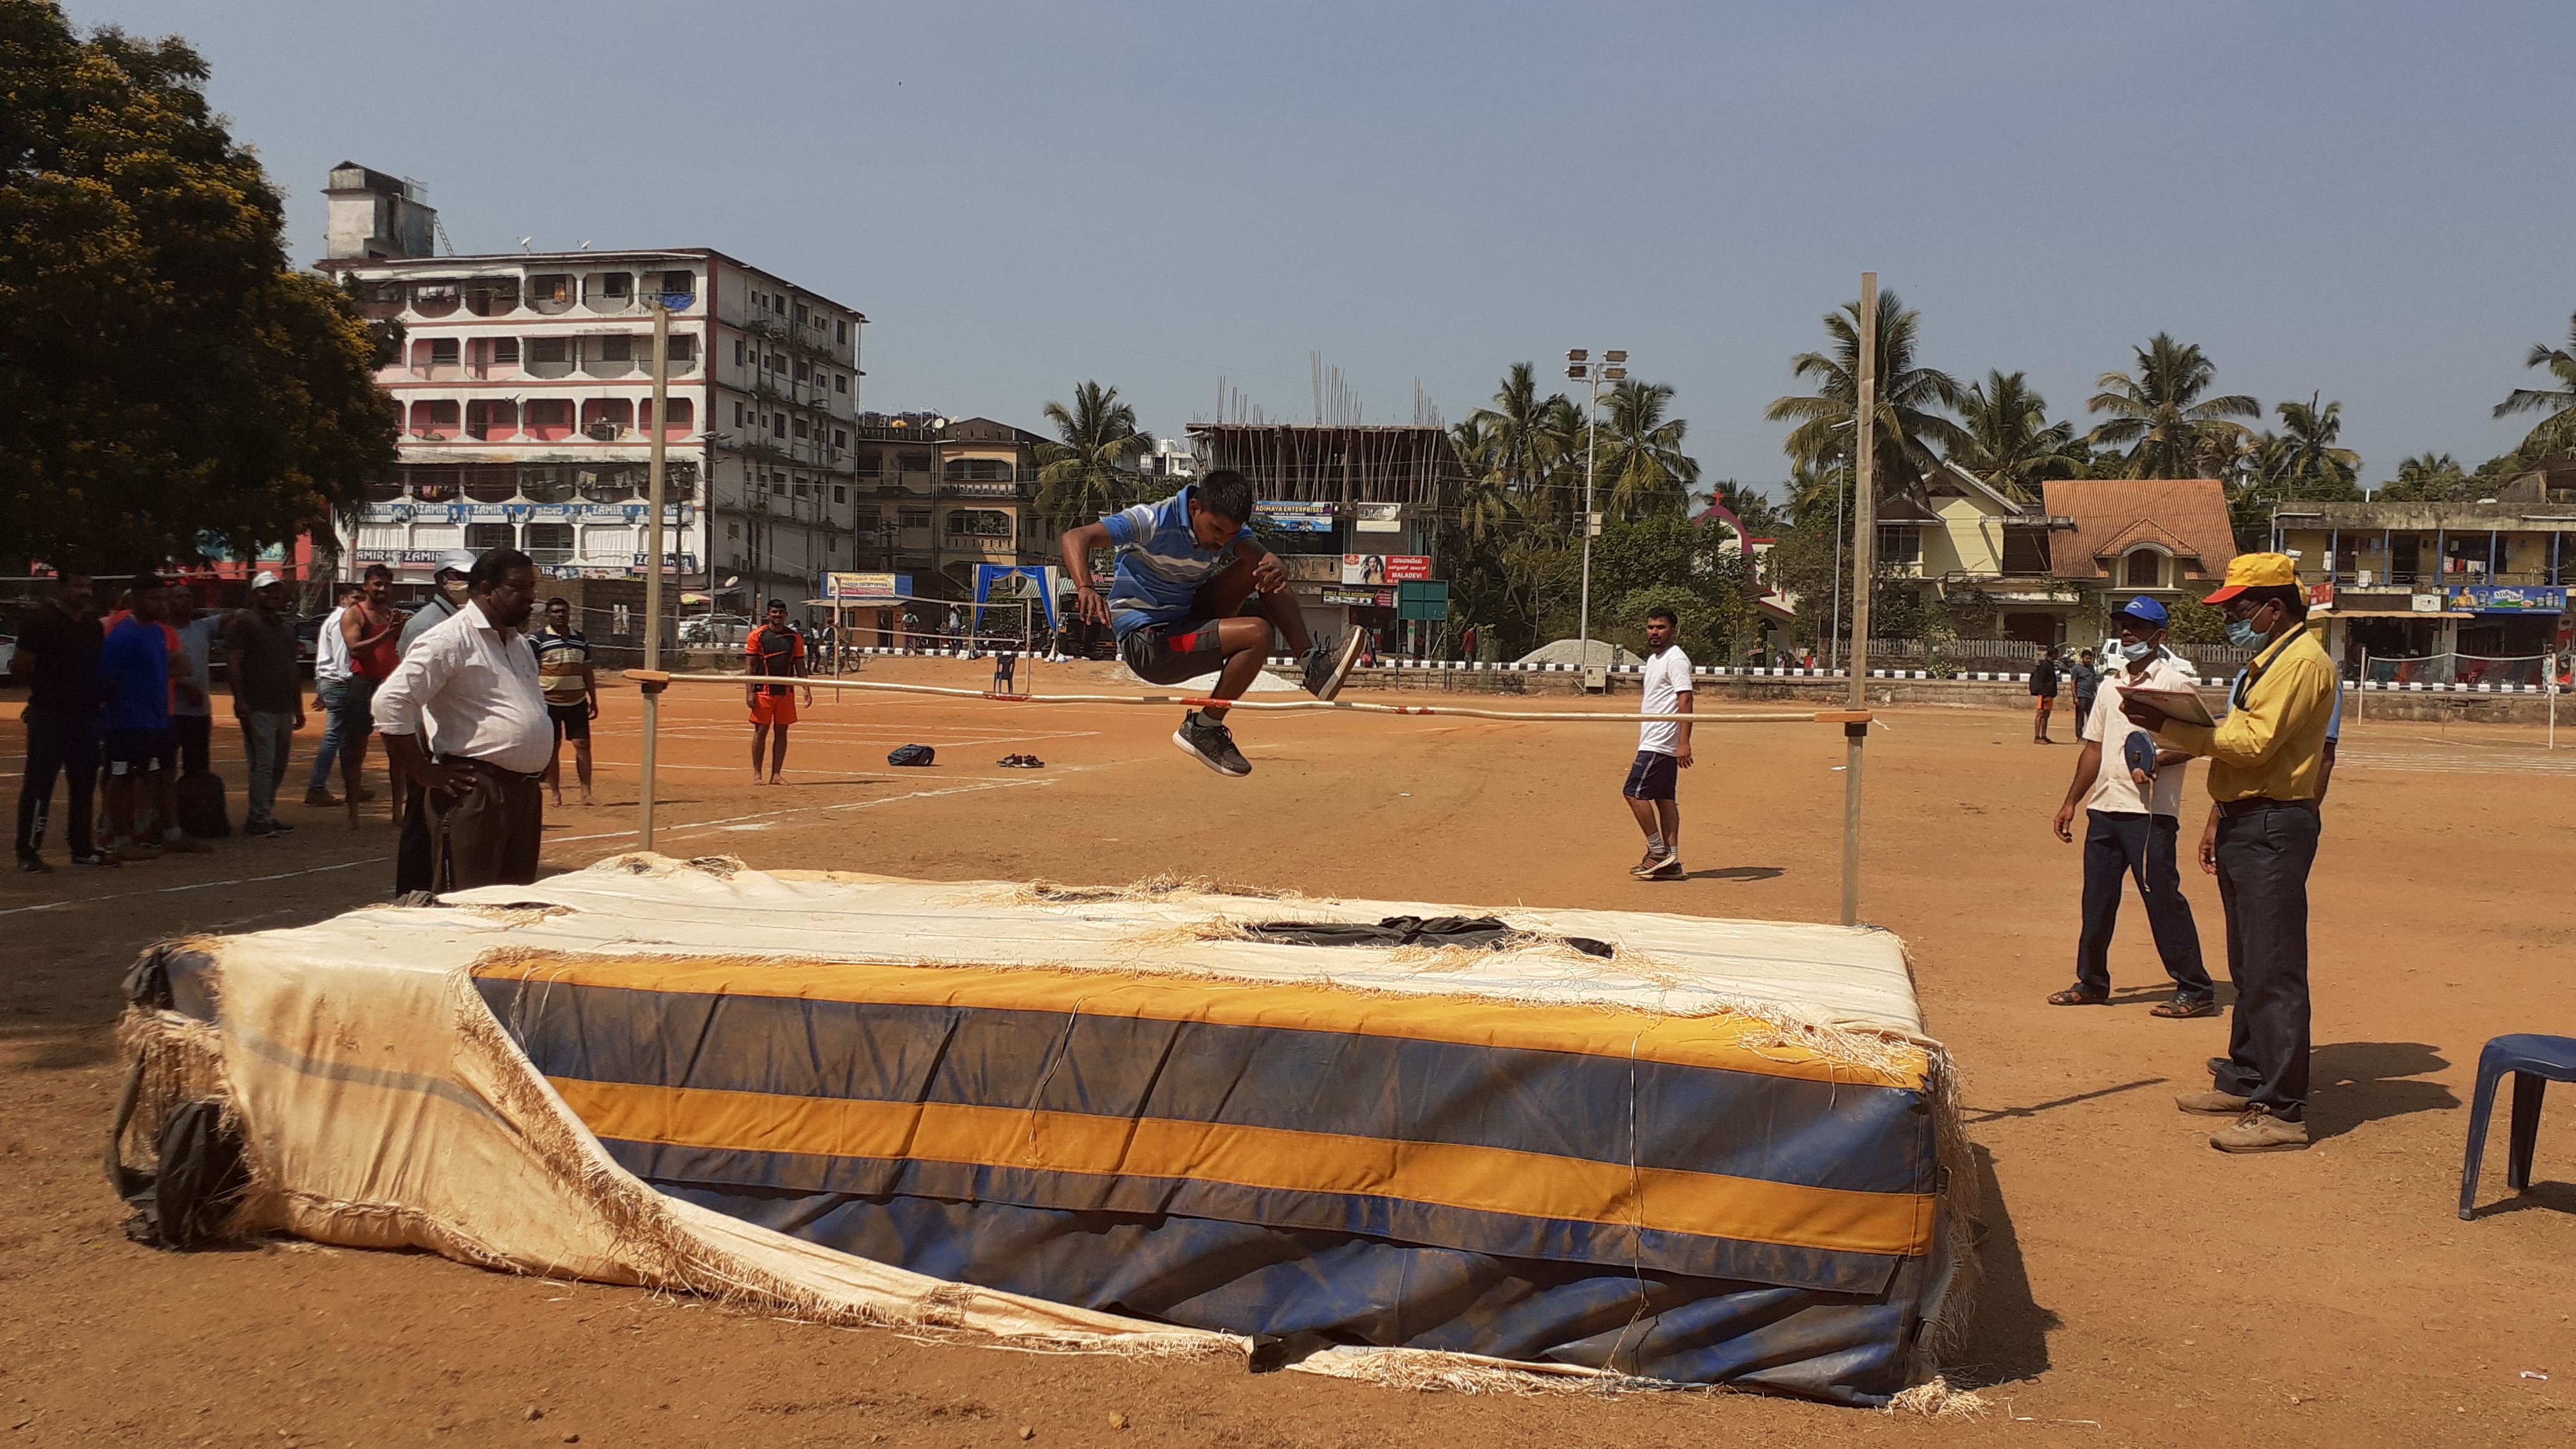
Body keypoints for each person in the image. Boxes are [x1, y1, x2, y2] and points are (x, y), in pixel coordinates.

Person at [2123, 554, 2335, 1154]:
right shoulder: (2271, 660)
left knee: (2274, 968)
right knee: (2248, 963)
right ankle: (2247, 1077)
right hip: (2252, 817)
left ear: (2275, 606)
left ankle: (2284, 1110)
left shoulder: (2299, 663)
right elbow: (2247, 748)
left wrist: (2170, 728)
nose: (2234, 617)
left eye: (2242, 607)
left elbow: (2251, 741)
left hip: (2273, 822)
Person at [1059, 468, 1364, 778]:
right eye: (1216, 530)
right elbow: (1075, 537)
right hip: (1150, 642)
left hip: (1187, 618)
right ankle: (1205, 726)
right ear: (1195, 508)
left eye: (1230, 535)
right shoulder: (1150, 521)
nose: (1221, 542)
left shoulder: (1226, 533)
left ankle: (1313, 666)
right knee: (1257, 634)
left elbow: (1263, 557)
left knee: (1264, 571)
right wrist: (1085, 586)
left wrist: (1275, 564)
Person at [2047, 597, 2213, 1016]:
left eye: (2137, 627)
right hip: (2104, 809)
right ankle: (2091, 982)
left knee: (2161, 898)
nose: (2127, 633)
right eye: (2123, 625)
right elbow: (2095, 749)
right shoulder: (2109, 685)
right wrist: (2071, 801)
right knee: (2097, 900)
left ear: (2160, 637)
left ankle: (2195, 987)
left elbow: (2198, 744)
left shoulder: (2174, 685)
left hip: (2151, 814)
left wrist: (2157, 762)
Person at [376, 550, 550, 894]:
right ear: (487, 589)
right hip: (476, 793)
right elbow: (390, 702)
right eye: (518, 587)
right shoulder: (450, 639)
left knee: (515, 903)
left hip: (524, 794)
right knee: (471, 904)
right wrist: (423, 772)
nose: (530, 596)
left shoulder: (519, 643)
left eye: (532, 586)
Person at [97, 574, 207, 859]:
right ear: (136, 600)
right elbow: (106, 680)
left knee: (162, 774)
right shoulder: (123, 635)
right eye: (153, 599)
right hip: (128, 720)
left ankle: (171, 833)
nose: (161, 605)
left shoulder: (158, 632)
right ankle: (120, 839)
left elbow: (177, 667)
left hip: (159, 718)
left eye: (162, 599)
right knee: (123, 776)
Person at [12, 572, 115, 871]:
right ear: (62, 589)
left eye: (89, 587)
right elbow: (21, 665)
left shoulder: (93, 627)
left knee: (83, 784)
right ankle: (28, 852)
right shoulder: (41, 622)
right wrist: (47, 693)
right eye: (78, 586)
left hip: (86, 716)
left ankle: (82, 848)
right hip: (51, 716)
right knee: (39, 784)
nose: (85, 592)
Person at [221, 572, 304, 837]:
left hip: (282, 705)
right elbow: (234, 662)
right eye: (267, 591)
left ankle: (264, 812)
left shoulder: (285, 627)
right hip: (258, 705)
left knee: (279, 764)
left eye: (277, 590)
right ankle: (258, 817)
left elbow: (292, 668)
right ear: (255, 594)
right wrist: (240, 700)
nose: (273, 595)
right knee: (264, 763)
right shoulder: (244, 624)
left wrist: (298, 706)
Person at [1622, 606, 1695, 879]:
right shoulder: (1654, 660)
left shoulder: (1675, 659)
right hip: (1655, 738)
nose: (1655, 632)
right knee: (1665, 799)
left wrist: (1684, 742)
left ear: (1673, 630)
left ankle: (1657, 852)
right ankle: (1673, 861)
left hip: (1661, 741)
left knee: (1633, 792)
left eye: (1661, 627)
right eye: (1651, 627)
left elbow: (1686, 699)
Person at [337, 564, 404, 827]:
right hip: (363, 684)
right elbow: (355, 649)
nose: (381, 589)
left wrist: (398, 632)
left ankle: (398, 811)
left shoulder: (394, 616)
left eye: (386, 584)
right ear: (365, 585)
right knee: (356, 752)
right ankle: (353, 813)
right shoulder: (355, 615)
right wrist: (389, 633)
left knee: (398, 753)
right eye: (376, 583)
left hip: (391, 685)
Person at [531, 597, 598, 806]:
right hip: (548, 703)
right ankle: (555, 794)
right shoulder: (537, 640)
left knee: (583, 745)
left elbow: (587, 670)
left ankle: (586, 793)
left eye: (564, 611)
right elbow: (529, 672)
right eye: (555, 612)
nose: (560, 615)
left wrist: (593, 699)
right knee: (553, 747)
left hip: (576, 702)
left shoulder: (580, 639)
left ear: (569, 614)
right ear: (547, 615)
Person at [305, 583, 364, 807]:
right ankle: (317, 787)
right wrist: (351, 683)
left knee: (345, 737)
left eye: (361, 599)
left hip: (330, 682)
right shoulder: (343, 620)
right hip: (340, 683)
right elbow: (343, 659)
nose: (359, 603)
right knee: (335, 736)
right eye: (355, 598)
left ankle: (352, 785)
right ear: (343, 599)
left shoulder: (336, 619)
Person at [744, 600, 813, 784]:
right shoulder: (757, 636)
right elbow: (750, 665)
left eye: (781, 612)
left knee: (782, 731)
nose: (777, 616)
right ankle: (758, 774)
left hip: (785, 692)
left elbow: (800, 664)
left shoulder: (794, 638)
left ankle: (776, 774)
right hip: (762, 692)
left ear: (786, 615)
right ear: (768, 614)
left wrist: (806, 688)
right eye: (774, 612)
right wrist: (749, 692)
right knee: (761, 731)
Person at [168, 582, 222, 779]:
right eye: (179, 597)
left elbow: (241, 616)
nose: (185, 600)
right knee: (164, 771)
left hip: (198, 713)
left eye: (188, 596)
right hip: (168, 713)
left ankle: (192, 809)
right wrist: (183, 684)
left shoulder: (203, 628)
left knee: (198, 770)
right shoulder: (160, 631)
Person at [398, 552, 477, 656]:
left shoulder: (471, 617)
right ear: (440, 579)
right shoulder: (424, 624)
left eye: (472, 577)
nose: (467, 582)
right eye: (460, 575)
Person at [2029, 645, 2062, 744]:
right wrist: (2044, 695)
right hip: (2045, 694)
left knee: (2046, 715)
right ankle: (2037, 737)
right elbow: (2041, 681)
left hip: (2049, 694)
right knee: (2041, 714)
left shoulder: (2050, 664)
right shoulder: (2045, 665)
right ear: (2054, 654)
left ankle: (2044, 736)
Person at [2069, 647, 2102, 726]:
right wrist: (2075, 697)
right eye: (2087, 659)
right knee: (2080, 716)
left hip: (2091, 696)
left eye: (2090, 659)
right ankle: (2079, 736)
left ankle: (2090, 735)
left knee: (2092, 716)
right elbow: (2073, 683)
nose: (2089, 660)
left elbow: (2093, 680)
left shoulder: (2091, 668)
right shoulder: (2077, 668)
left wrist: (2096, 693)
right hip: (2081, 695)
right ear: (2082, 658)